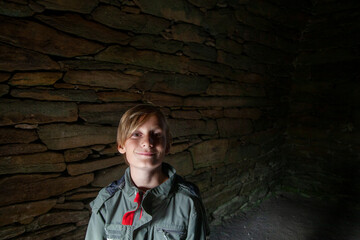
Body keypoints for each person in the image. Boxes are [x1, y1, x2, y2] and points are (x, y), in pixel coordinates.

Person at [85, 104, 209, 239]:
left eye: (156, 134)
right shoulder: (107, 203)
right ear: (121, 145)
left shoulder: (188, 201)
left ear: (167, 145)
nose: (147, 142)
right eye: (136, 134)